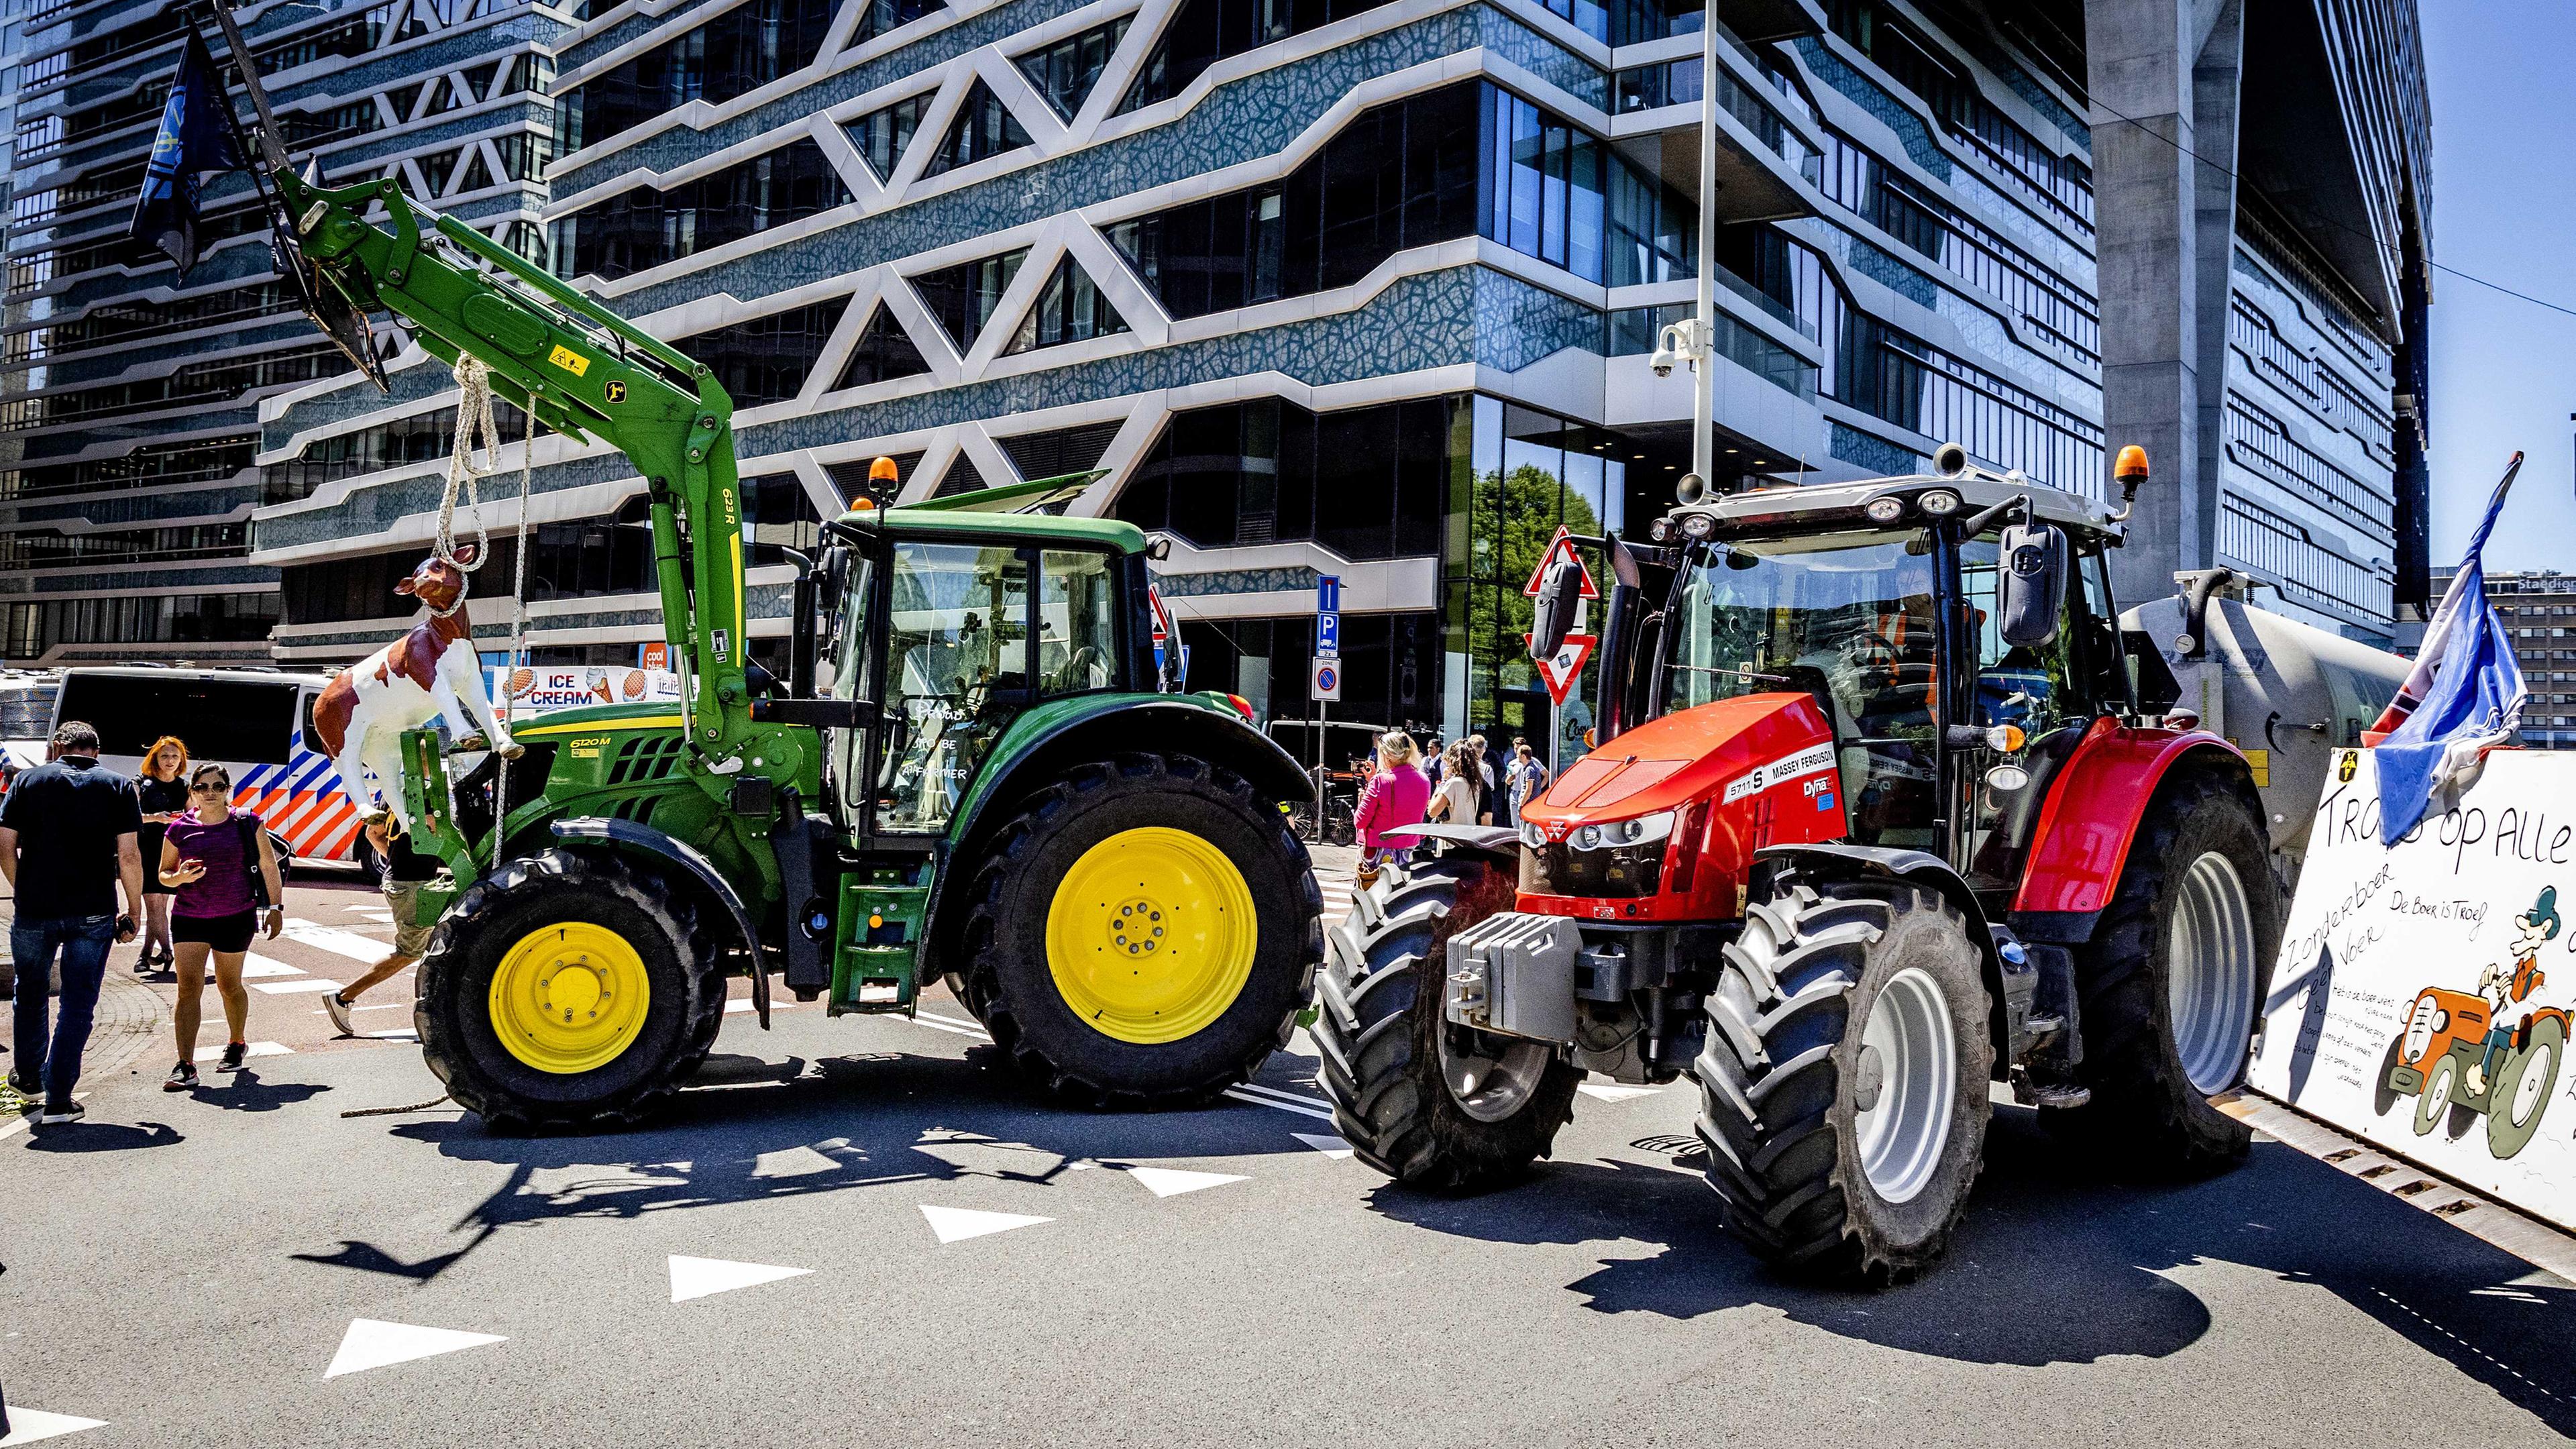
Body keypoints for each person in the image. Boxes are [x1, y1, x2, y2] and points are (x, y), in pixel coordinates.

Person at [0, 721, 144, 1126]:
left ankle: (28, 1079)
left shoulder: (27, 780)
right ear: (96, 751)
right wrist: (135, 910)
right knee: (78, 1005)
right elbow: (129, 855)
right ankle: (59, 1099)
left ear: (57, 747)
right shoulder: (118, 785)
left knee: (29, 993)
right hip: (93, 909)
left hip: (34, 908)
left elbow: (4, 845)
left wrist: (22, 886)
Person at [158, 762, 283, 1089]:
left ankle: (237, 1042)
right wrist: (180, 877)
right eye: (202, 787)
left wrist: (275, 907)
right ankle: (185, 1064)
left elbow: (268, 865)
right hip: (189, 917)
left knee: (230, 986)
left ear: (228, 790)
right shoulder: (179, 829)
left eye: (217, 786)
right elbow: (163, 874)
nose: (209, 793)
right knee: (188, 990)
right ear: (192, 792)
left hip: (235, 916)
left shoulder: (247, 822)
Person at [324, 816, 438, 1036]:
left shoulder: (390, 794)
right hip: (412, 884)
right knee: (410, 952)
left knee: (431, 947)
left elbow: (372, 835)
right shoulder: (426, 795)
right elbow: (437, 832)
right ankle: (343, 997)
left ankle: (438, 1009)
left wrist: (396, 859)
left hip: (402, 881)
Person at [134, 736, 190, 975]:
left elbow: (192, 818)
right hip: (146, 848)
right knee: (154, 905)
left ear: (181, 761)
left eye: (175, 757)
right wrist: (155, 817)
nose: (170, 761)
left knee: (158, 906)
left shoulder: (184, 787)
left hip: (171, 849)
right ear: (155, 758)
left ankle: (153, 954)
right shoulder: (141, 783)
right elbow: (129, 816)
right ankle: (159, 952)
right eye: (165, 756)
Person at [1351, 730, 1431, 890]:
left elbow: (1360, 821)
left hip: (1378, 853)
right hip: (1408, 852)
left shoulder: (1380, 781)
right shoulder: (1424, 780)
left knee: (1372, 900)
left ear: (1387, 755)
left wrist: (1365, 794)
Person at [1426, 741, 1479, 827]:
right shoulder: (1474, 783)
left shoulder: (1453, 783)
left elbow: (1432, 811)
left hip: (1451, 835)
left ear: (1453, 761)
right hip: (1468, 834)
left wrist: (1443, 781)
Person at [1508, 741, 1550, 818]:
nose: (1516, 753)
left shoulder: (1531, 766)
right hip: (1516, 793)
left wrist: (1537, 788)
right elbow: (1508, 782)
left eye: (1518, 750)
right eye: (1515, 749)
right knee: (1516, 823)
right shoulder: (1513, 763)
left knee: (1525, 822)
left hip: (1527, 796)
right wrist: (1511, 776)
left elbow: (1529, 789)